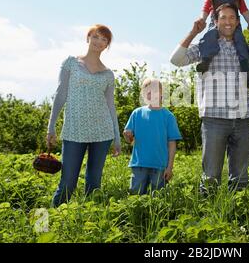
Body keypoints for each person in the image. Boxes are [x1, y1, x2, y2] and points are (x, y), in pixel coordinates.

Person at [170, 2, 249, 194]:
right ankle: (210, 217)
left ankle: (238, 215)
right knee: (211, 176)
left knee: (240, 177)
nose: (227, 22)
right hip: (214, 118)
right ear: (215, 21)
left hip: (242, 118)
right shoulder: (205, 47)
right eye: (223, 18)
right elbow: (176, 60)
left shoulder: (245, 48)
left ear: (238, 22)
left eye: (232, 18)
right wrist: (193, 32)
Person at [46, 24, 121, 207]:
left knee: (94, 184)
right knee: (67, 183)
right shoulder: (71, 63)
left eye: (104, 39)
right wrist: (51, 125)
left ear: (107, 46)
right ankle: (46, 226)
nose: (99, 41)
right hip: (74, 130)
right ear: (88, 38)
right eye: (95, 36)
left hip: (102, 133)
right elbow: (60, 94)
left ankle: (88, 226)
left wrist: (117, 138)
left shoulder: (108, 74)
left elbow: (111, 106)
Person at [123, 78, 182, 195]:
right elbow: (129, 140)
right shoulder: (136, 113)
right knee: (136, 196)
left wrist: (170, 167)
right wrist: (127, 135)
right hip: (139, 164)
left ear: (161, 93)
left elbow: (172, 144)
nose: (151, 93)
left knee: (159, 197)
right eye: (147, 91)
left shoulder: (168, 116)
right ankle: (138, 214)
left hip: (160, 165)